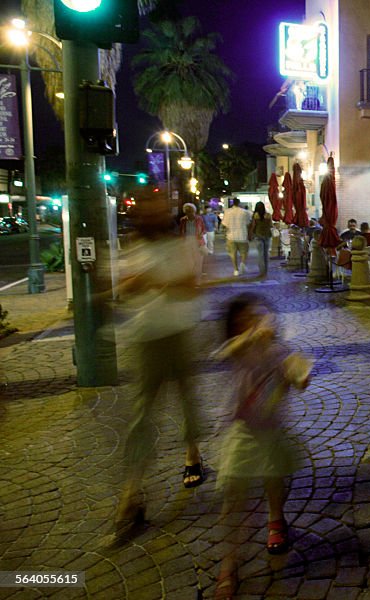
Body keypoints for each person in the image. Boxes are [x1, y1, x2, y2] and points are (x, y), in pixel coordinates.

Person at [115, 200, 205, 541]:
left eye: (157, 213)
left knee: (186, 400)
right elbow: (123, 288)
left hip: (178, 333)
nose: (152, 217)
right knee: (142, 414)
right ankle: (132, 491)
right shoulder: (131, 248)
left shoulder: (180, 246)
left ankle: (192, 453)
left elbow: (191, 288)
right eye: (146, 214)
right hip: (145, 338)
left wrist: (159, 283)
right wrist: (132, 284)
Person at [212, 293, 312, 598]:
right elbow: (224, 354)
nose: (256, 322)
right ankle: (229, 566)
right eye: (246, 319)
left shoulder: (280, 352)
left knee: (273, 482)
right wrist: (252, 336)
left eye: (259, 317)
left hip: (272, 432)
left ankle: (275, 519)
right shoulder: (239, 350)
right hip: (242, 431)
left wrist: (299, 374)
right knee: (233, 491)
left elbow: (300, 379)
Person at [222, 198, 252, 277]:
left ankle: (236, 270)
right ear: (239, 203)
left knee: (233, 254)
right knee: (244, 253)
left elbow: (225, 225)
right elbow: (248, 223)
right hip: (242, 235)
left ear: (233, 203)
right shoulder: (245, 212)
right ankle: (242, 264)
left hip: (231, 236)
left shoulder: (227, 212)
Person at [178, 202, 206, 277]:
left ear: (194, 211)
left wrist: (201, 234)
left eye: (191, 211)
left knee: (199, 260)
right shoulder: (183, 220)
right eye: (187, 211)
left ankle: (198, 275)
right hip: (187, 240)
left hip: (198, 241)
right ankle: (191, 274)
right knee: (189, 260)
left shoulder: (199, 219)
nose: (189, 213)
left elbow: (204, 229)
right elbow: (181, 232)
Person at [249, 202, 273, 277]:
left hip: (258, 235)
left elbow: (253, 226)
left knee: (260, 254)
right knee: (266, 254)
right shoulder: (268, 215)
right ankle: (266, 271)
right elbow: (271, 225)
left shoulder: (255, 216)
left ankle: (261, 271)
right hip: (267, 235)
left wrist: (251, 234)